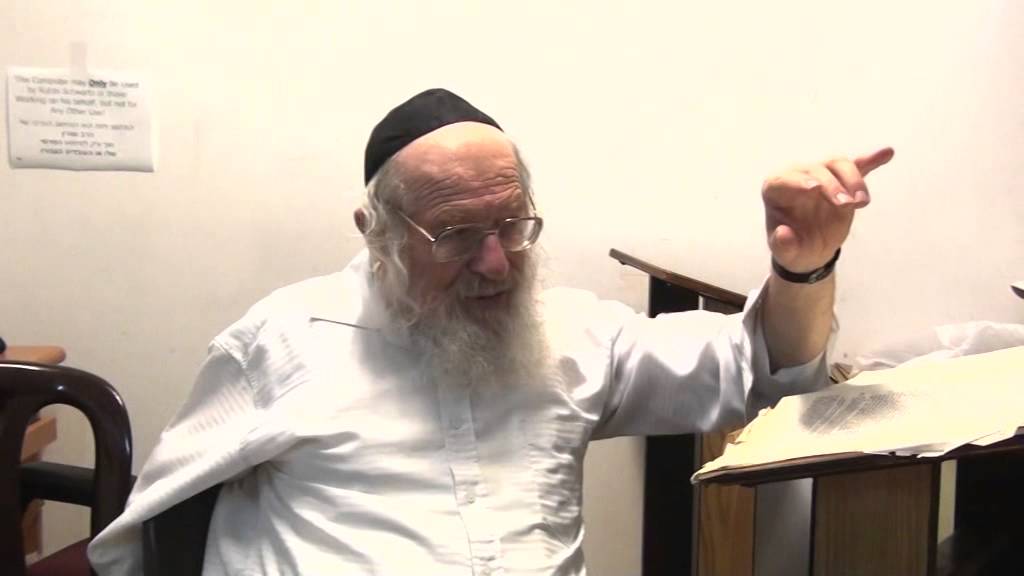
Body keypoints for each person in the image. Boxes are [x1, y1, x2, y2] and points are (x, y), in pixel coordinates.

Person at [88, 88, 893, 575]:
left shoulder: (570, 334)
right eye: (456, 235)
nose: (497, 263)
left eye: (512, 224)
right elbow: (151, 527)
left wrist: (804, 269)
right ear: (375, 231)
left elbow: (762, 366)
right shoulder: (283, 343)